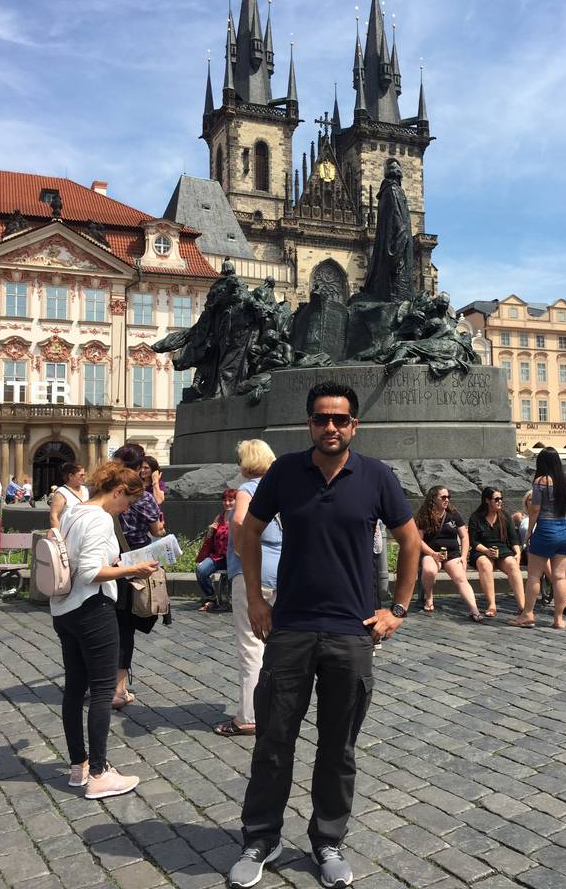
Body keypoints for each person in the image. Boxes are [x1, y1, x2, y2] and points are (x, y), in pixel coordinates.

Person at [227, 381, 420, 889]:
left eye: (339, 419)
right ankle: (261, 838)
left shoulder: (376, 476)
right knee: (273, 741)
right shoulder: (286, 472)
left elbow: (410, 540)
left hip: (351, 632)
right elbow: (249, 532)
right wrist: (255, 598)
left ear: (354, 424)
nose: (330, 427)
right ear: (309, 423)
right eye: (321, 419)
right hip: (290, 627)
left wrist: (398, 609)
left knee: (338, 747)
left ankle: (328, 840)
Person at [50, 462, 158, 799]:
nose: (126, 509)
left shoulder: (73, 511)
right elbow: (89, 572)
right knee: (101, 690)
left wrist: (119, 565)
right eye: (128, 501)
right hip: (92, 609)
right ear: (118, 491)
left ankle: (78, 766)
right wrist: (132, 569)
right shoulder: (99, 518)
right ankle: (99, 773)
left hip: (65, 609)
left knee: (74, 689)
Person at [214, 441, 281, 737]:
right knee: (277, 645)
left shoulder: (247, 490)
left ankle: (249, 716)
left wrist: (242, 551)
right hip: (281, 572)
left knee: (252, 645)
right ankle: (276, 708)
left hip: (253, 575)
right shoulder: (280, 489)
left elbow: (240, 520)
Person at [112, 443, 165, 709]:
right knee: (125, 629)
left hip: (107, 563)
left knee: (103, 625)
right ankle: (118, 690)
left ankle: (96, 682)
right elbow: (157, 531)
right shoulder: (143, 497)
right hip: (134, 567)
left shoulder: (107, 492)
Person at [510, 447, 566, 630]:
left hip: (546, 531)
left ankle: (527, 614)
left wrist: (529, 532)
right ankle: (558, 619)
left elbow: (534, 509)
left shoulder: (541, 481)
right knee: (560, 577)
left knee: (534, 575)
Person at [414, 485, 482, 621]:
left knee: (461, 578)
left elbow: (464, 536)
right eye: (443, 497)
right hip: (432, 553)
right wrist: (433, 554)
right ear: (433, 498)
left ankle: (474, 609)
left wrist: (464, 557)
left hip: (452, 554)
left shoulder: (453, 514)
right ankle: (429, 597)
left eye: (448, 497)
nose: (447, 500)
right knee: (429, 570)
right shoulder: (423, 515)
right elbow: (418, 540)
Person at [467, 487, 524, 617]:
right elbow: (473, 541)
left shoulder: (504, 516)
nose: (500, 501)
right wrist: (486, 551)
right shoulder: (476, 517)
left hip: (502, 550)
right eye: (496, 499)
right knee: (484, 564)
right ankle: (492, 605)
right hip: (482, 550)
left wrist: (517, 553)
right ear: (487, 500)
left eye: (501, 499)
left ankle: (522, 606)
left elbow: (513, 539)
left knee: (512, 564)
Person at [196, 488, 236, 611]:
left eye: (231, 500)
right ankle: (211, 597)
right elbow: (209, 538)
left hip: (235, 557)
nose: (227, 503)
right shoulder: (219, 517)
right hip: (218, 556)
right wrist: (211, 531)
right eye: (225, 500)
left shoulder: (240, 517)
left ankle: (233, 600)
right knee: (201, 570)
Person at [49, 463, 89, 529]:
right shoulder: (61, 493)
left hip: (84, 531)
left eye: (84, 475)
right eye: (81, 475)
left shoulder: (85, 490)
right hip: (67, 532)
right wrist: (58, 534)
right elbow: (54, 516)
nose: (83, 477)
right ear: (71, 476)